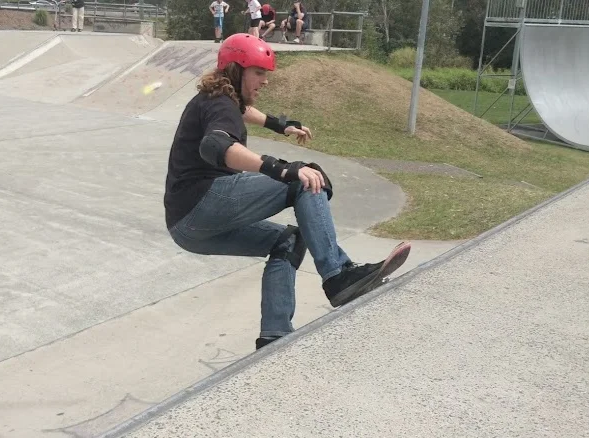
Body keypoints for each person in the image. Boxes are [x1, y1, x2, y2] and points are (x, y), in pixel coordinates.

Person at [163, 34, 411, 350]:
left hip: (186, 228)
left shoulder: (218, 98)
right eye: (259, 73)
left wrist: (281, 125)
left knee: (288, 240)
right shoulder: (221, 104)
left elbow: (245, 112)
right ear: (237, 70)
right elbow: (216, 145)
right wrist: (280, 169)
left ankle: (274, 334)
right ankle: (338, 276)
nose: (265, 81)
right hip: (203, 202)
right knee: (306, 177)